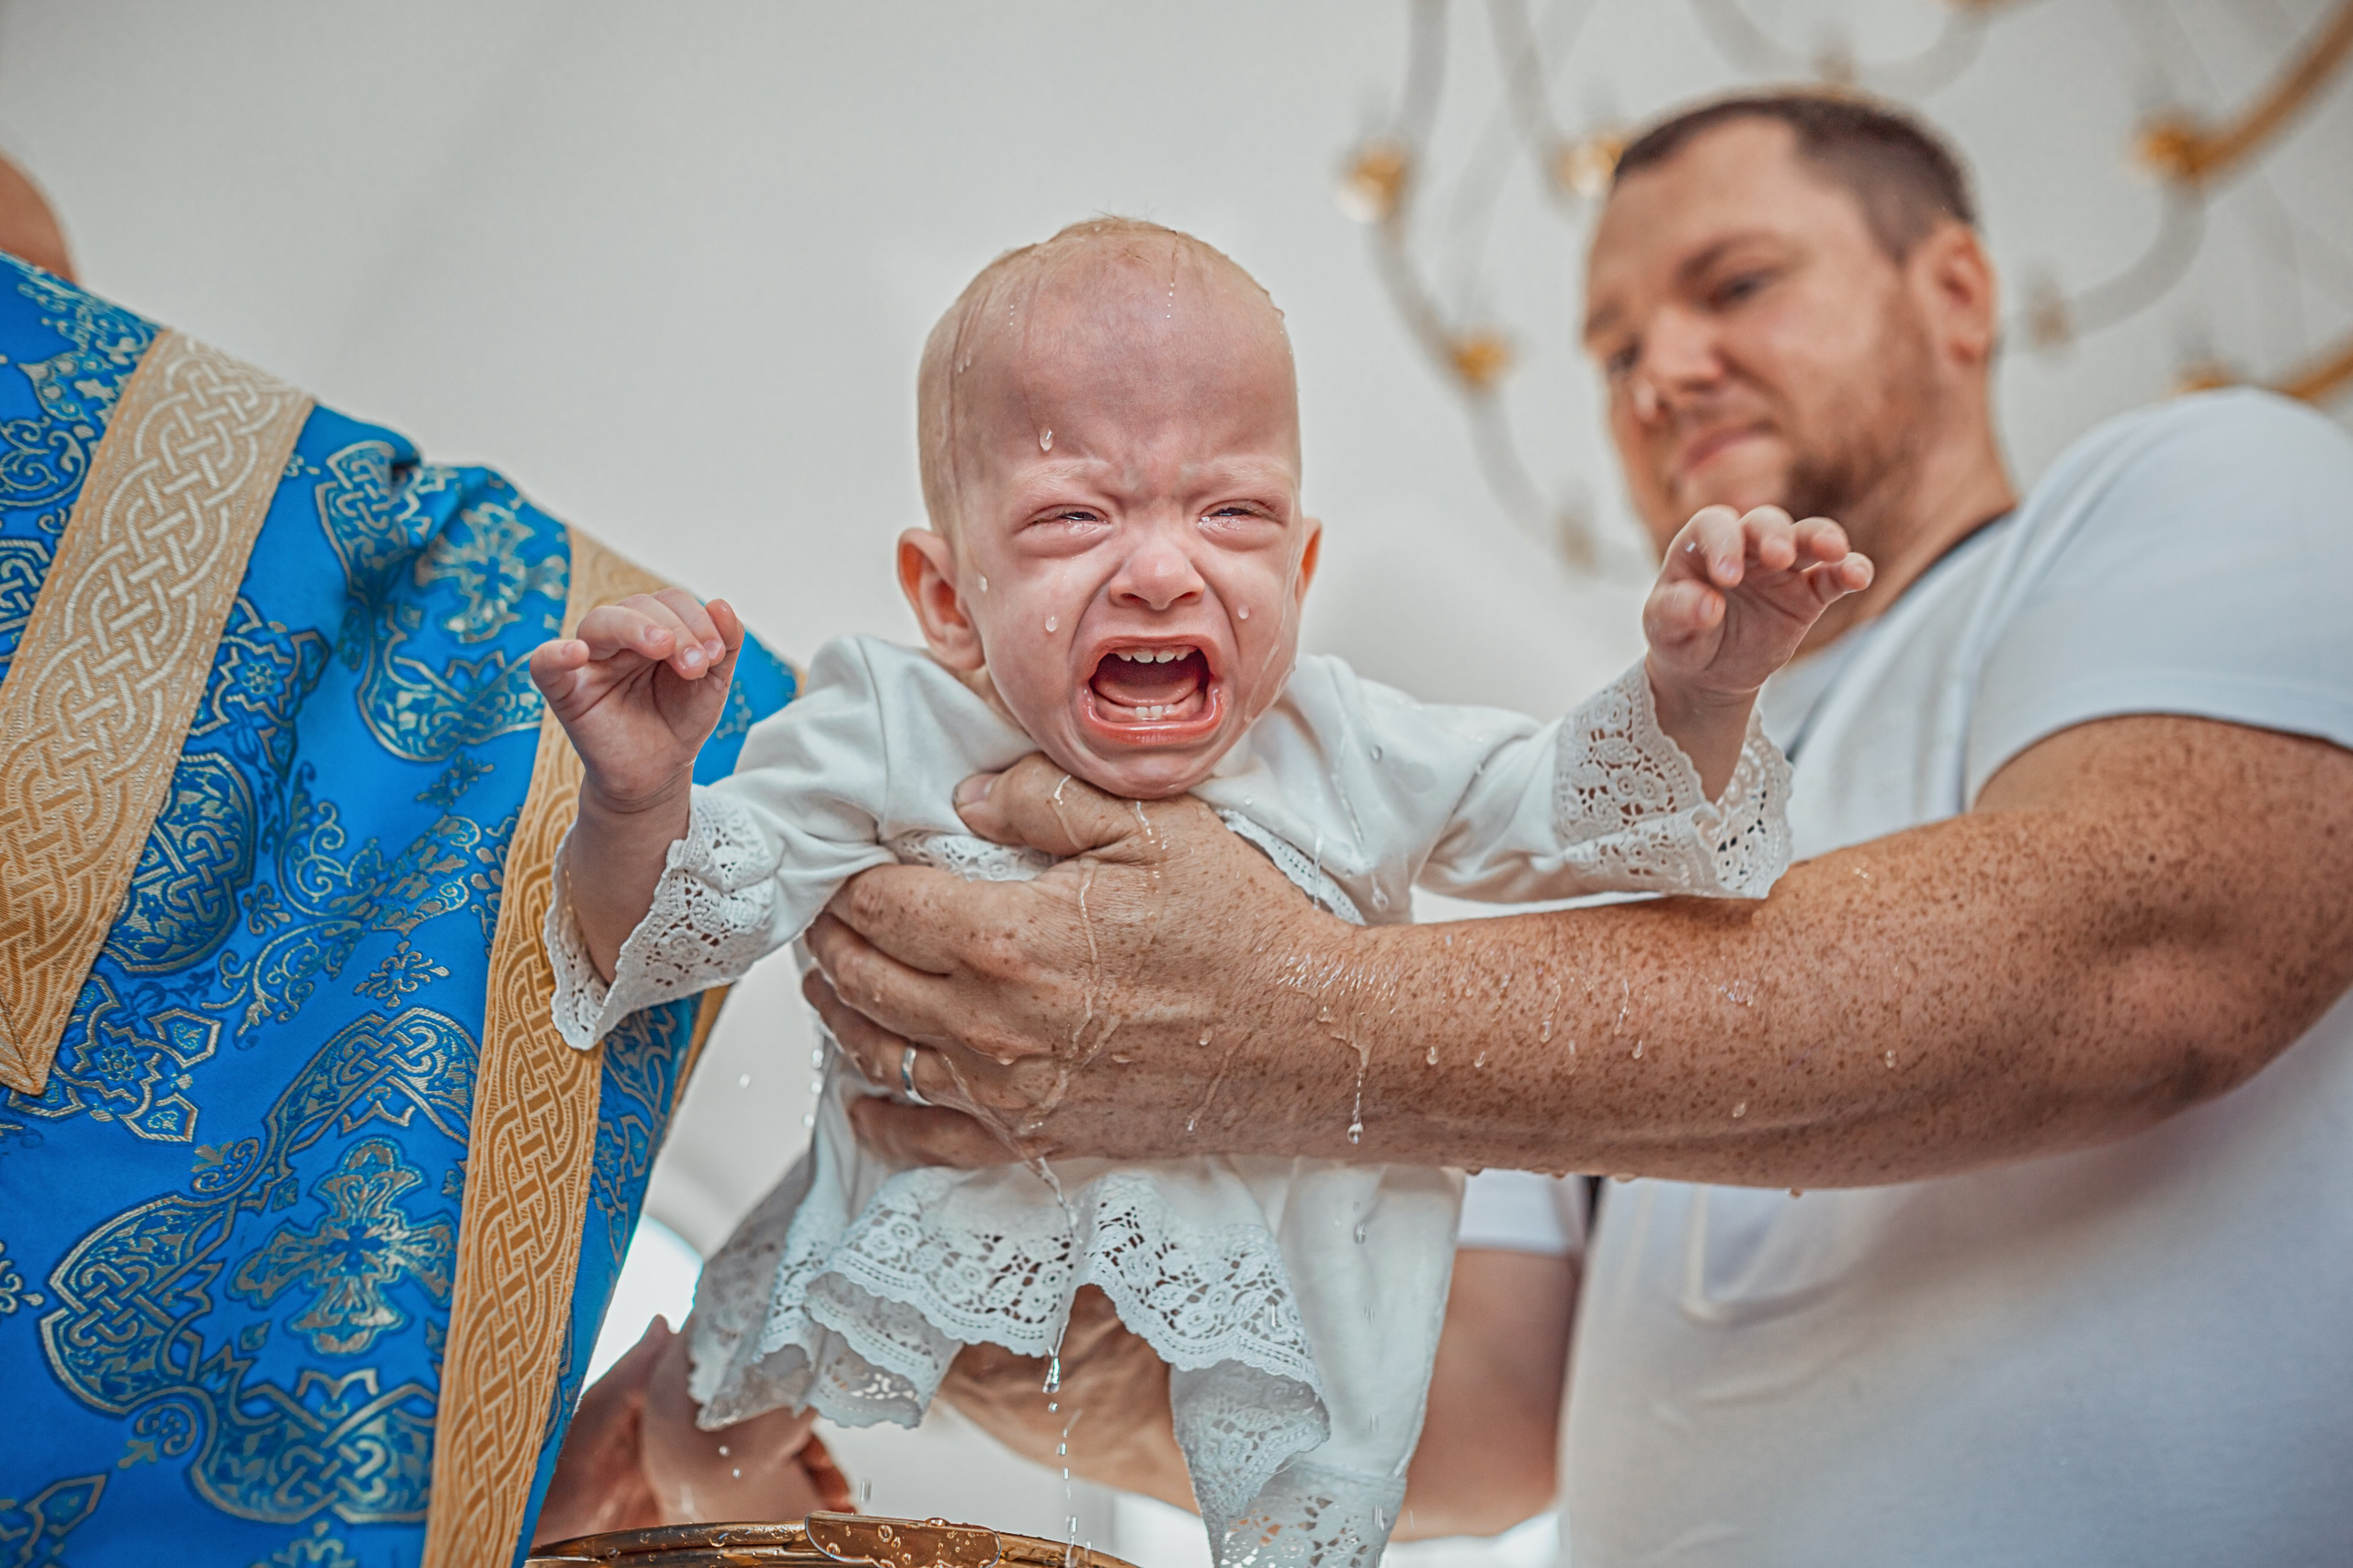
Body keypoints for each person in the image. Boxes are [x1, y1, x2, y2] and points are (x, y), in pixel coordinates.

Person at [796, 96, 2353, 1563]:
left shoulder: (2202, 477)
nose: (1658, 373)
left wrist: (1278, 1016)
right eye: (1611, 350)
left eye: (1733, 283)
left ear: (1954, 291)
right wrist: (964, 1304)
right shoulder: (1578, 868)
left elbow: (2150, 946)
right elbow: (1479, 1421)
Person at [526, 217, 1869, 1562]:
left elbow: (1574, 809)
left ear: (1300, 566)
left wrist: (1699, 696)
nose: (1165, 566)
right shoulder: (888, 724)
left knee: (1297, 1490)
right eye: (1072, 516)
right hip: (915, 1217)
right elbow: (670, 929)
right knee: (712, 1408)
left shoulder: (1343, 743)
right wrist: (640, 802)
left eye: (1233, 511)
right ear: (946, 596)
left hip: (1267, 1285)